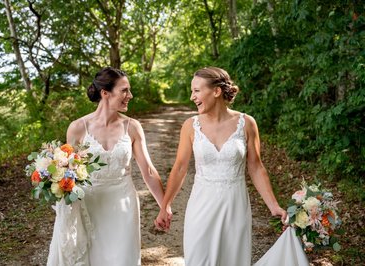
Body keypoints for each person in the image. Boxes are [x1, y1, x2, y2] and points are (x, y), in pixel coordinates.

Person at [155, 67, 287, 265]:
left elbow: (256, 167)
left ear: (216, 91)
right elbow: (180, 168)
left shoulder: (247, 123)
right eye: (192, 91)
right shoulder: (190, 126)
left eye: (197, 91)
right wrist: (165, 206)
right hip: (201, 206)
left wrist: (273, 205)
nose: (192, 97)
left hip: (235, 206)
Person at [47, 67, 165, 266]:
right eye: (124, 90)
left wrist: (164, 206)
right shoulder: (78, 127)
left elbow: (149, 171)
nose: (130, 95)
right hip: (89, 206)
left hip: (123, 205)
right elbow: (67, 171)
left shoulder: (133, 126)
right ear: (105, 93)